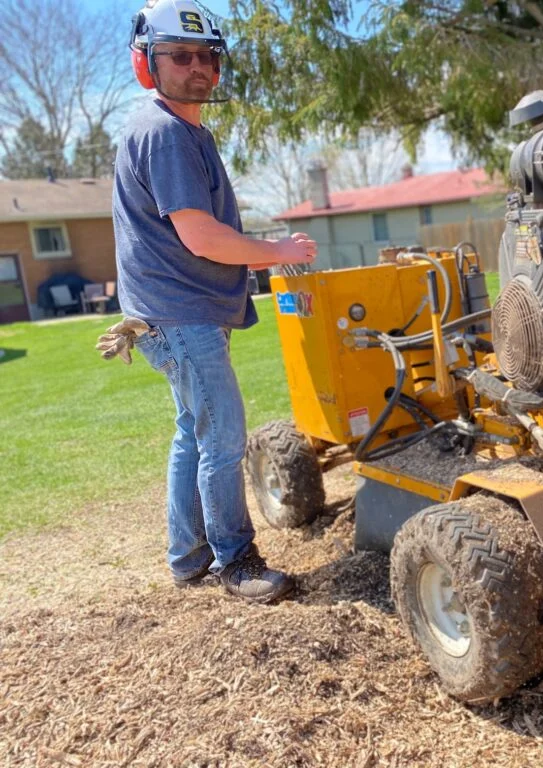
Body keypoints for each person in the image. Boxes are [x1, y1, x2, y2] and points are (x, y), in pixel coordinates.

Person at [112, 0, 316, 603]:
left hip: (174, 310)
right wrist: (277, 250)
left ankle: (188, 555)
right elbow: (199, 236)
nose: (197, 67)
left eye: (206, 56)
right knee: (223, 438)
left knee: (193, 432)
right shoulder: (165, 132)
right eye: (180, 56)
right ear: (147, 64)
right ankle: (236, 561)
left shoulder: (179, 128)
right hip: (181, 314)